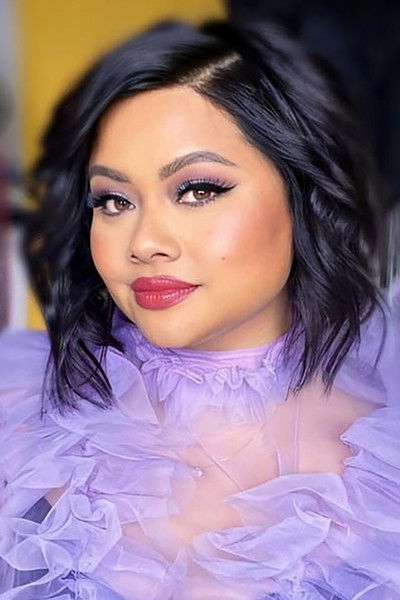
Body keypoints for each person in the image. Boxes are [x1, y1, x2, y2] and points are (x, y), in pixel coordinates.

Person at [0, 19, 399, 600]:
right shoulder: (18, 415)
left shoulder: (383, 459)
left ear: (304, 194)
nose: (144, 242)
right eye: (114, 200)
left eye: (198, 190)